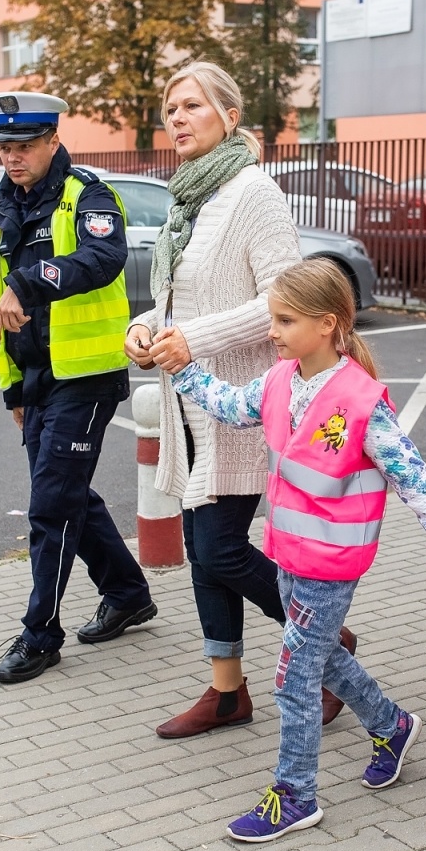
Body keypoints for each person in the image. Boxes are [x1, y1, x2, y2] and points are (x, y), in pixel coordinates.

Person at [167, 259, 426, 842]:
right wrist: (184, 369)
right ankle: (391, 724)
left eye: (284, 320)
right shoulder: (281, 379)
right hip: (288, 551)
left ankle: (296, 793)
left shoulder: (361, 402)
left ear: (328, 324)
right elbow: (233, 408)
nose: (273, 331)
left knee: (293, 678)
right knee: (324, 655)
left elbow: (412, 474)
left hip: (331, 565)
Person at [122, 61, 326, 739]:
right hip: (187, 398)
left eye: (192, 106)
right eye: (170, 108)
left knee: (218, 550)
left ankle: (328, 644)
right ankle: (227, 689)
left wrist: (192, 337)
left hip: (239, 397)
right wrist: (146, 326)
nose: (176, 118)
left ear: (230, 117)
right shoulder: (190, 198)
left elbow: (284, 297)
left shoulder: (253, 192)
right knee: (206, 544)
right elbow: (181, 296)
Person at [0, 91, 156, 685]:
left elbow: (102, 259)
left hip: (86, 377)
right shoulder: (7, 204)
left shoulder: (89, 195)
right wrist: (12, 389)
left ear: (54, 140)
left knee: (51, 504)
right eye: (5, 147)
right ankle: (129, 593)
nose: (12, 158)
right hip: (38, 380)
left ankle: (41, 635)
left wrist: (30, 283)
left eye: (24, 146)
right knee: (69, 495)